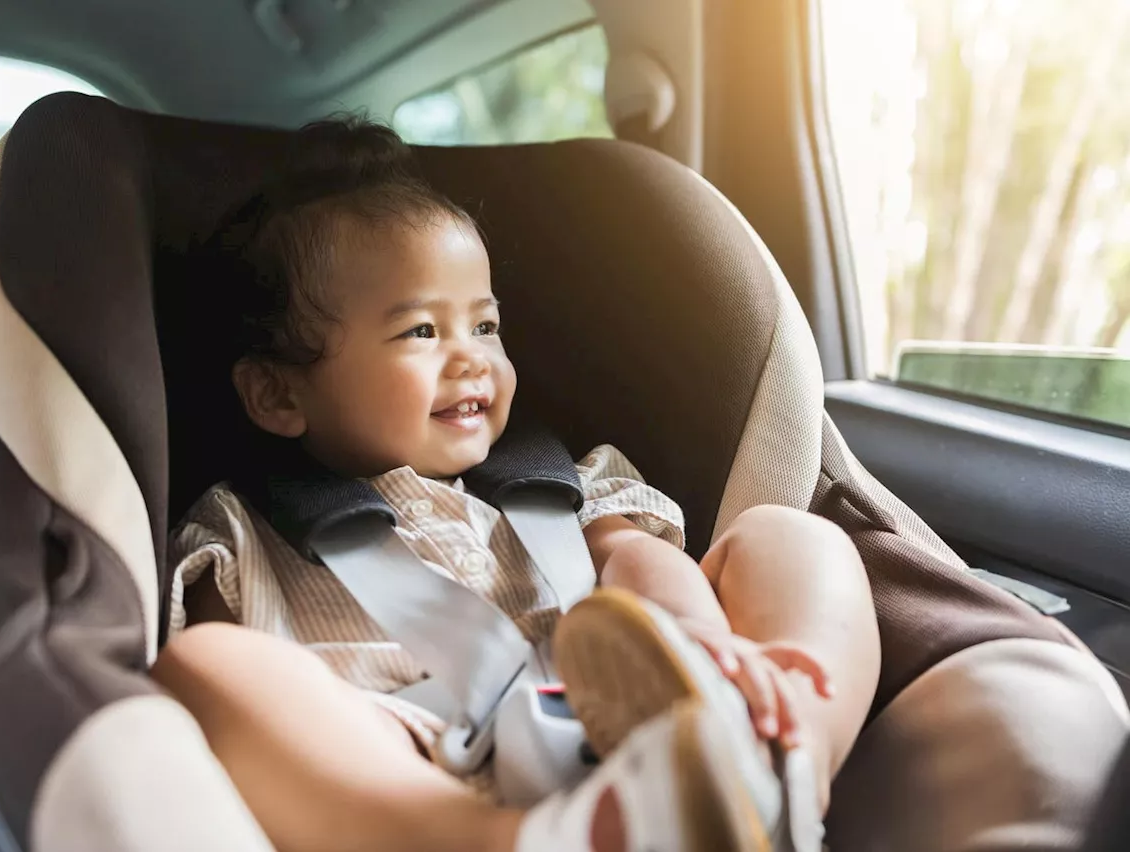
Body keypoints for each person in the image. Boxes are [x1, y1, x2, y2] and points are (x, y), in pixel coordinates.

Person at [152, 116, 881, 852]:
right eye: (421, 333)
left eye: (486, 326)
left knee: (790, 537)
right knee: (204, 665)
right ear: (279, 395)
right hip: (422, 761)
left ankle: (785, 758)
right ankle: (516, 839)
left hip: (638, 706)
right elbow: (249, 695)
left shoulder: (562, 480)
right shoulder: (240, 531)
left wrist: (690, 638)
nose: (472, 359)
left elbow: (636, 558)